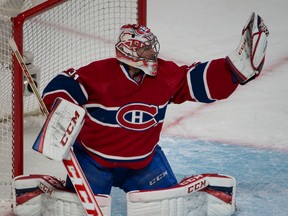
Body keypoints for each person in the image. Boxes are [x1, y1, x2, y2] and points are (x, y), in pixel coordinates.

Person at [41, 13, 269, 196]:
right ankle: (55, 193)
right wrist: (62, 112)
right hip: (94, 162)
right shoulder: (98, 74)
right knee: (75, 210)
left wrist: (232, 71)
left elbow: (196, 81)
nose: (153, 52)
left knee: (165, 208)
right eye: (146, 48)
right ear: (130, 49)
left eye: (152, 47)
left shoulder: (165, 75)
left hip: (143, 163)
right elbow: (61, 88)